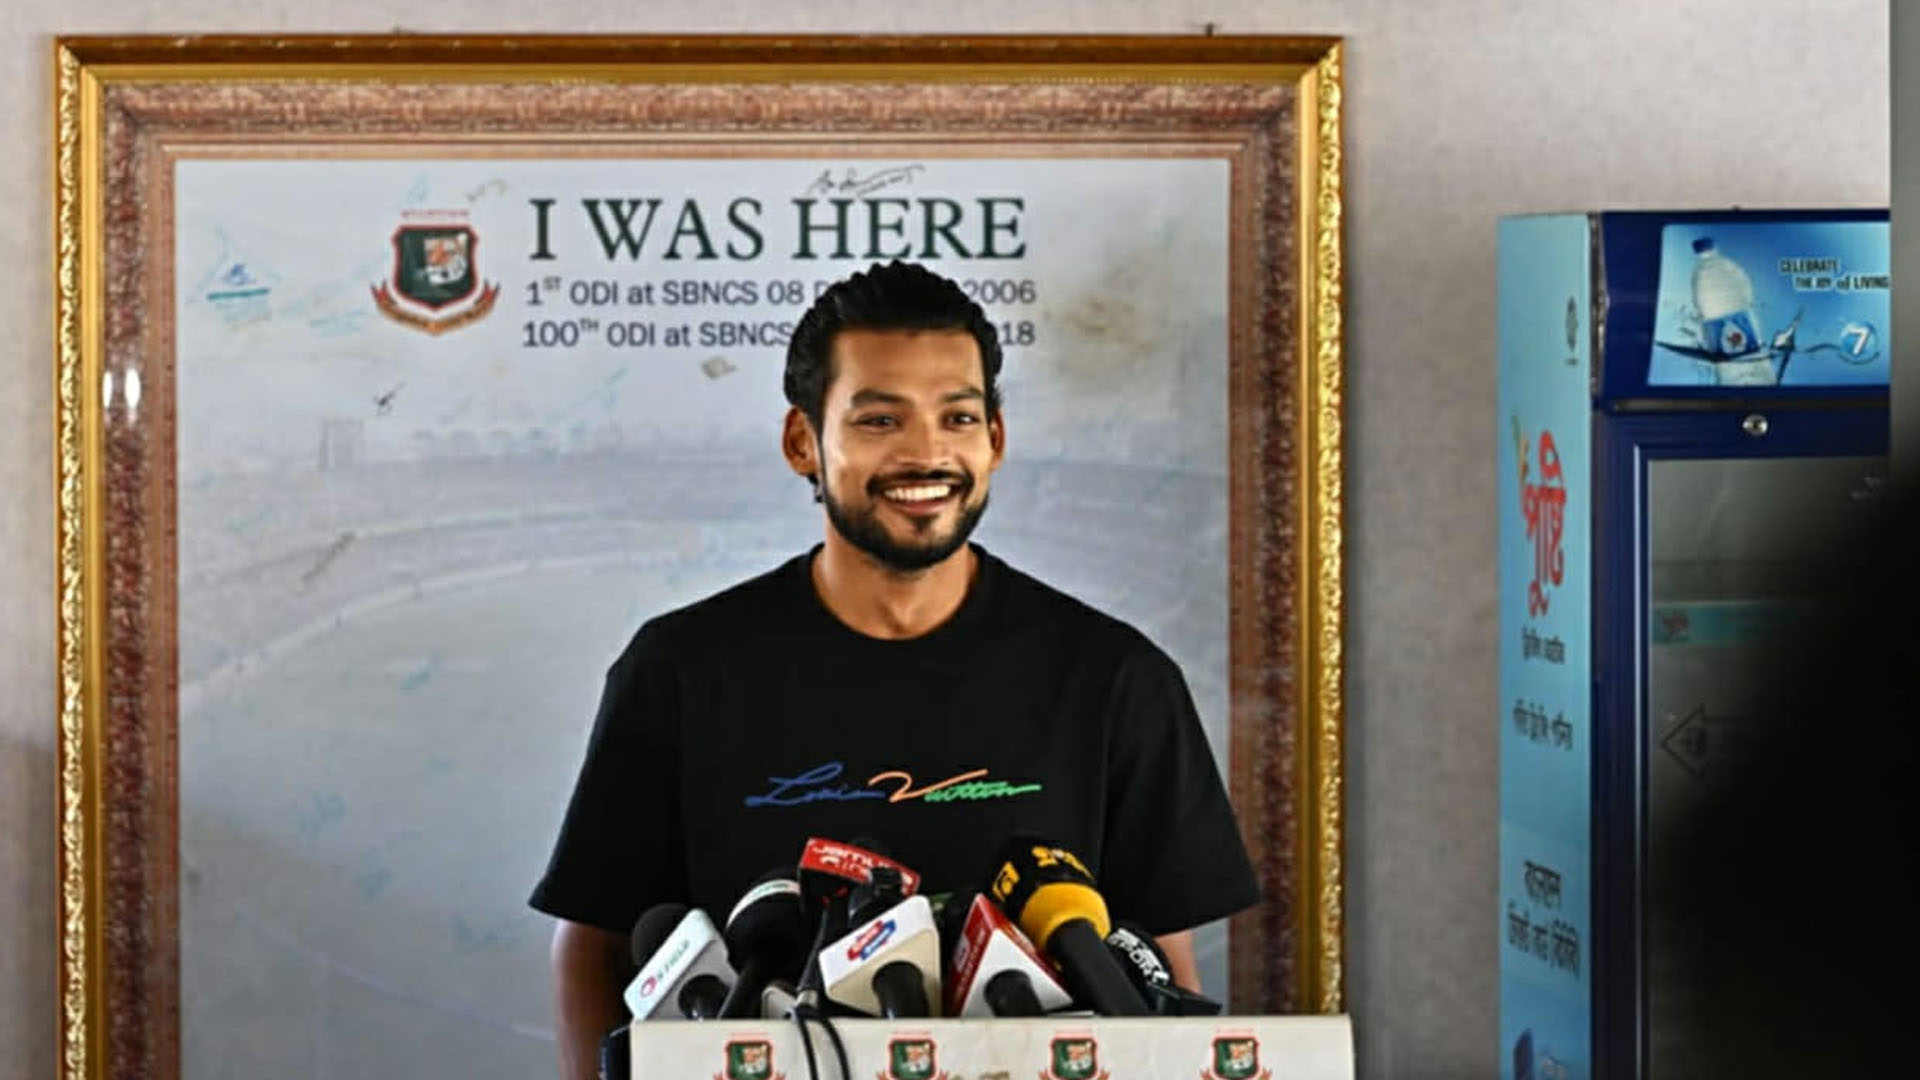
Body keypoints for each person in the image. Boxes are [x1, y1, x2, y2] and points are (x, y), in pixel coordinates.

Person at [529, 260, 1259, 1077]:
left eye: (958, 417)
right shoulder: (679, 670)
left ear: (996, 439)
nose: (927, 453)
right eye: (880, 420)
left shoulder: (1117, 677)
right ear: (803, 441)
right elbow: (593, 949)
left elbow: (1157, 968)